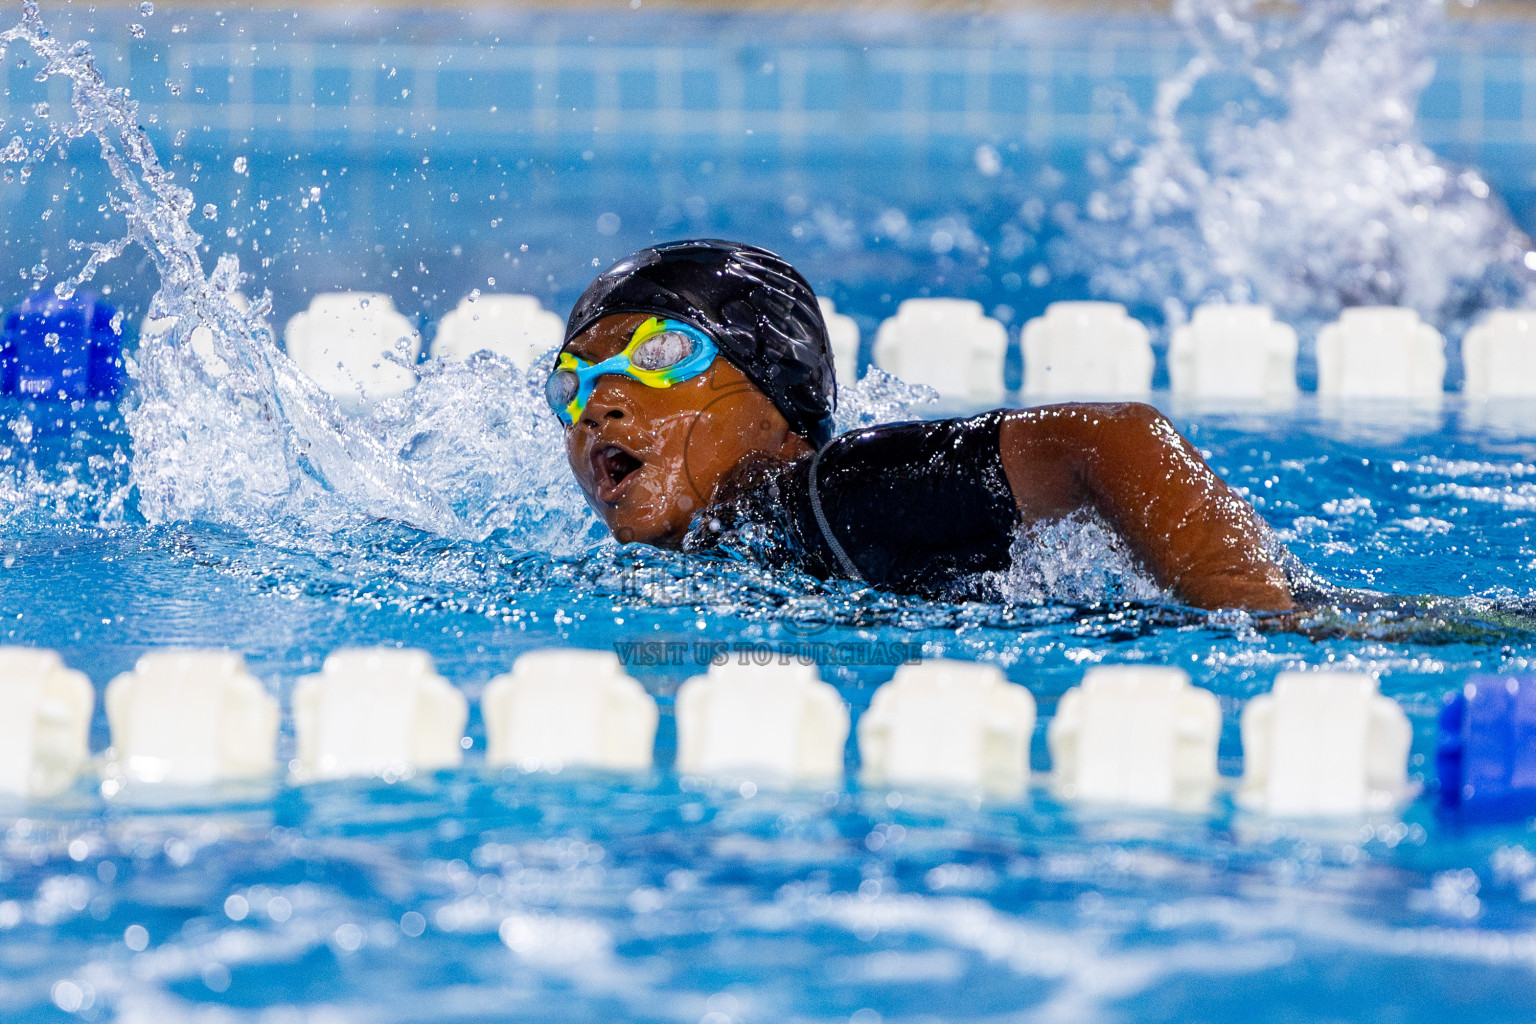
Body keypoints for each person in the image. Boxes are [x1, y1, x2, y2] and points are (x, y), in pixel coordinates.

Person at [548, 239, 1294, 612]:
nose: (600, 406)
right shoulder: (742, 546)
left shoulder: (825, 493)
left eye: (660, 355)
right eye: (571, 385)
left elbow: (1110, 437)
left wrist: (1253, 615)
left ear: (781, 402)